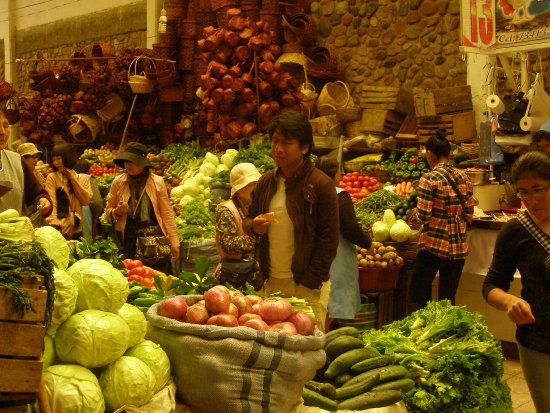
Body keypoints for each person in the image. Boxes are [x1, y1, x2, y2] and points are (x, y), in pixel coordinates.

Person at [243, 111, 339, 332]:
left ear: (304, 148)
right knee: (276, 348)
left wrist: (309, 281)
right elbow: (248, 220)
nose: (278, 149)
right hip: (272, 283)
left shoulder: (320, 184)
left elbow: (329, 240)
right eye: (275, 142)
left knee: (307, 349)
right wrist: (253, 226)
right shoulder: (267, 182)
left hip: (306, 284)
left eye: (287, 143)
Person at [483, 150, 550, 413]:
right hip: (540, 342)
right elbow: (490, 286)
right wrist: (511, 301)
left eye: (539, 189)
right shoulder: (515, 231)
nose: (531, 200)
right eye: (523, 192)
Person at [407, 129, 474, 313]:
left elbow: (424, 215)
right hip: (458, 247)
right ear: (449, 153)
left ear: (429, 153)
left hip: (433, 246)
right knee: (447, 300)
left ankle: (419, 337)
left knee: (416, 297)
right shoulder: (465, 176)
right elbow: (469, 212)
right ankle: (445, 338)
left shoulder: (428, 179)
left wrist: (413, 214)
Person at [316, 156, 372, 330]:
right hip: (336, 258)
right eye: (340, 170)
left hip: (315, 257)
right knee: (332, 306)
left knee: (320, 306)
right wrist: (368, 243)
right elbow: (350, 227)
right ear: (334, 174)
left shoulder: (310, 193)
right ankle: (319, 343)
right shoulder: (338, 195)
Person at [105, 142, 180, 266]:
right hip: (129, 239)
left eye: (132, 161)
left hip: (154, 239)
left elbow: (167, 213)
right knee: (133, 276)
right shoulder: (119, 182)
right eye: (126, 161)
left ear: (142, 163)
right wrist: (117, 211)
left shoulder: (157, 182)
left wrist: (174, 240)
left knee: (156, 278)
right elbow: (108, 211)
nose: (128, 165)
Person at [214, 163, 261, 288]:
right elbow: (227, 245)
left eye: (257, 184)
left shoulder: (252, 207)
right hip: (235, 277)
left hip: (254, 275)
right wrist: (256, 235)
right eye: (251, 184)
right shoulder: (226, 211)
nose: (255, 189)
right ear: (239, 189)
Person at [0, 109, 51, 216]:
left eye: (5, 126)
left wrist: (43, 200)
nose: (2, 132)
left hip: (13, 231)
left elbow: (36, 193)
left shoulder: (17, 161)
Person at [45, 143, 93, 240]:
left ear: (67, 157)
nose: (56, 163)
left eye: (59, 159)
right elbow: (52, 203)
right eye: (54, 160)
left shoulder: (82, 179)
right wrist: (56, 225)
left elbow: (85, 200)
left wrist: (72, 179)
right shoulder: (52, 178)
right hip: (58, 230)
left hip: (76, 229)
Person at [74, 160, 104, 242]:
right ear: (88, 170)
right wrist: (95, 217)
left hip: (70, 219)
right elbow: (97, 202)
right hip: (84, 218)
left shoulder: (68, 177)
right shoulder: (89, 178)